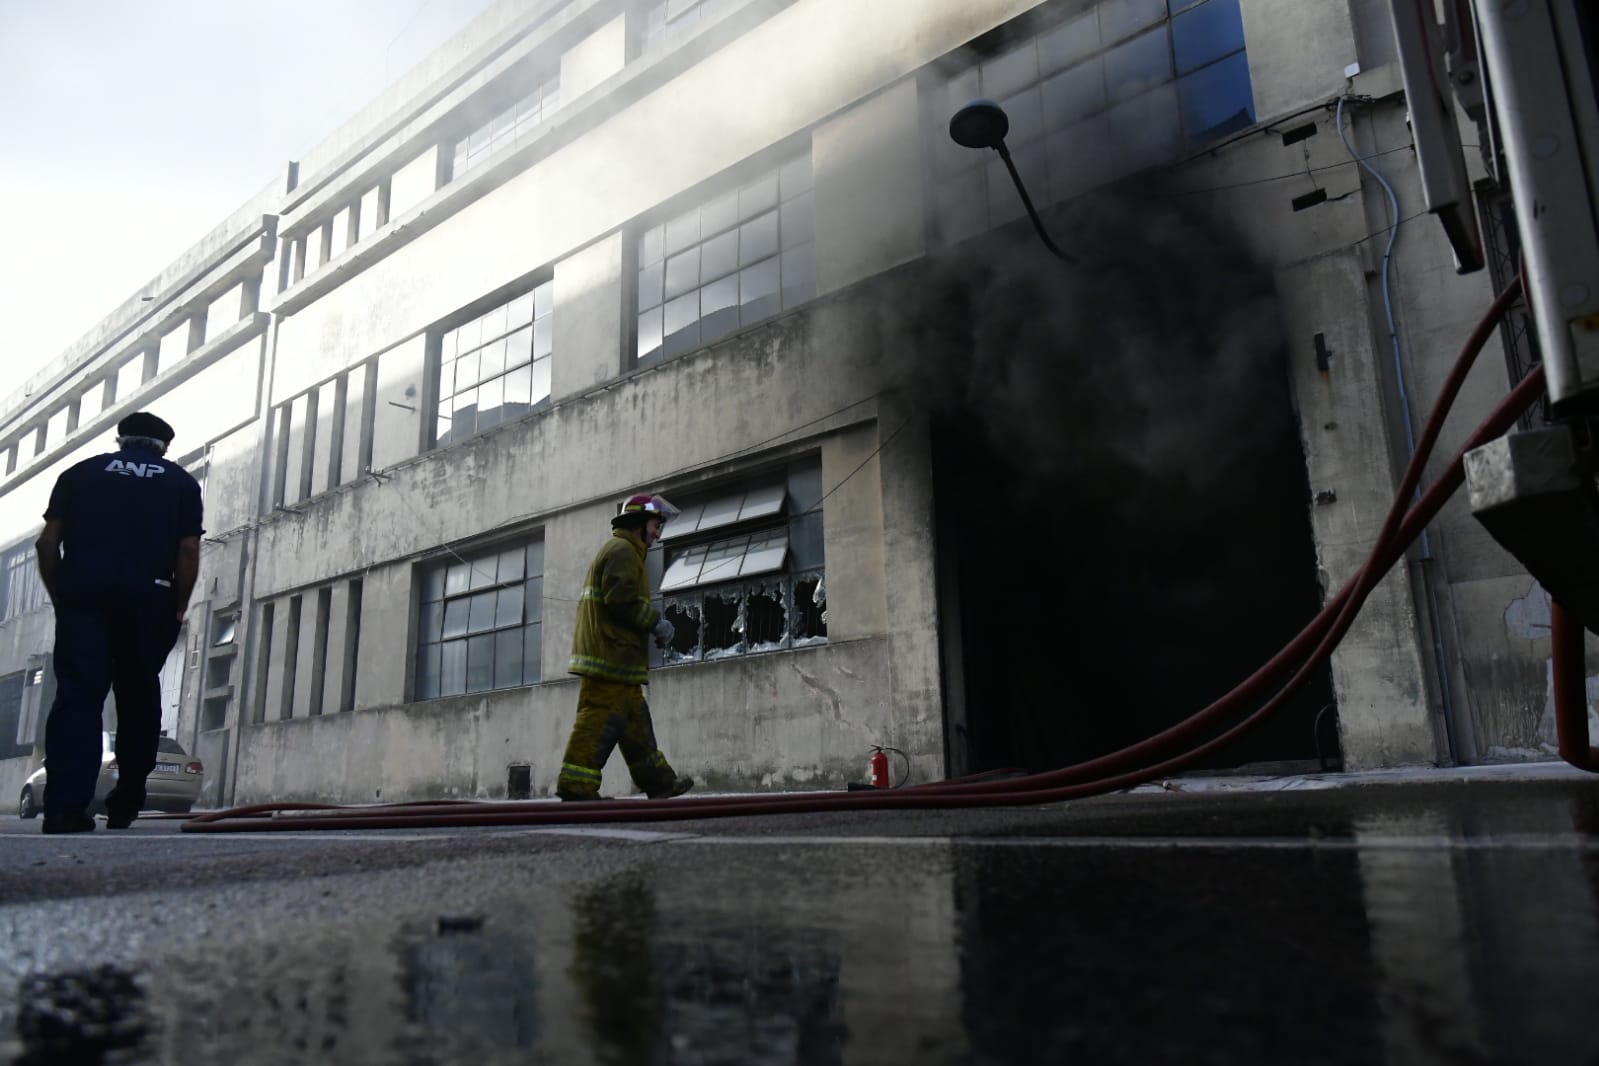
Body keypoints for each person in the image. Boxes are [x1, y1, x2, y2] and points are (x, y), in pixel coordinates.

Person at [33, 412, 204, 833]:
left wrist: (63, 597)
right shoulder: (180, 482)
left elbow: (47, 542)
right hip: (149, 599)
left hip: (83, 598)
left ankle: (63, 808)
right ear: (164, 446)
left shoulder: (79, 474)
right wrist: (178, 605)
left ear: (120, 440)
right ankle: (126, 802)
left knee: (77, 698)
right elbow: (187, 551)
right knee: (138, 694)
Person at [557, 493, 694, 802]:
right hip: (608, 659)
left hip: (619, 662)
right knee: (598, 720)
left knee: (636, 727)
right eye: (655, 525)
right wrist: (656, 623)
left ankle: (659, 782)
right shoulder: (622, 551)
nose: (658, 533)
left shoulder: (628, 552)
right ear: (638, 524)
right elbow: (621, 600)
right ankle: (576, 786)